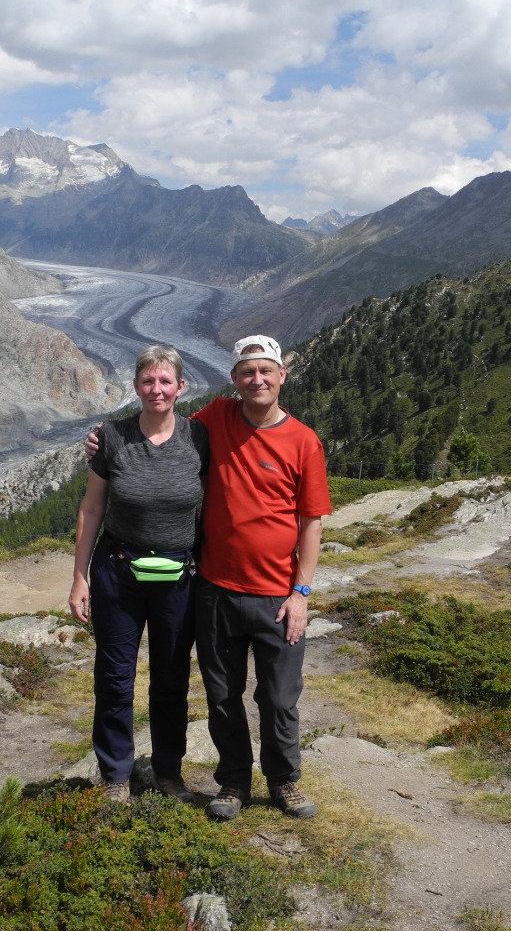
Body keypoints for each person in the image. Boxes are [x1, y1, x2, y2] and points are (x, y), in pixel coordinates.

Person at [86, 334, 331, 821]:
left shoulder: (302, 440)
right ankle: (233, 782)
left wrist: (301, 591)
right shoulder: (214, 419)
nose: (256, 380)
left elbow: (312, 522)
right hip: (214, 587)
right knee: (220, 696)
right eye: (247, 372)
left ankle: (283, 780)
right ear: (233, 379)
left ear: (282, 375)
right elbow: (160, 425)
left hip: (273, 592)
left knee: (278, 696)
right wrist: (101, 439)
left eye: (265, 371)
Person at [69, 345, 208, 806]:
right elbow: (92, 508)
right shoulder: (111, 437)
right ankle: (116, 775)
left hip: (179, 574)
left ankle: (168, 772)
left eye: (165, 381)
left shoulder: (199, 437)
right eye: (148, 381)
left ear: (181, 387)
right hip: (118, 571)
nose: (156, 389)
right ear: (136, 386)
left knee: (171, 678)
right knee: (114, 677)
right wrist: (80, 577)